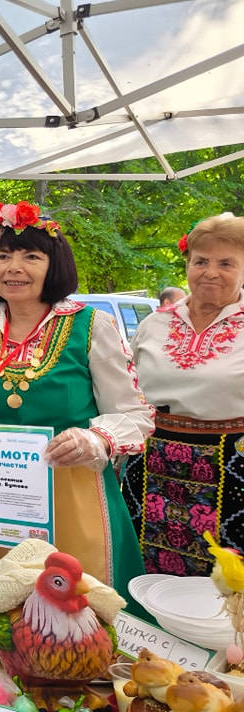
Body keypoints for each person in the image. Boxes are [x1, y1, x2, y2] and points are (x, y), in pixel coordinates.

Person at [0, 202, 154, 607]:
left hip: (72, 489)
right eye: (4, 256)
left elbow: (133, 413)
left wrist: (94, 438)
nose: (14, 267)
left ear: (54, 265)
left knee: (75, 612)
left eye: (31, 256)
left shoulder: (90, 325)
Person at [122, 215, 244, 576]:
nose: (211, 272)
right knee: (145, 570)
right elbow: (126, 389)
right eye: (201, 261)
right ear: (188, 264)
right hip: (150, 466)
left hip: (233, 471)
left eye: (226, 263)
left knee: (227, 578)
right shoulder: (155, 323)